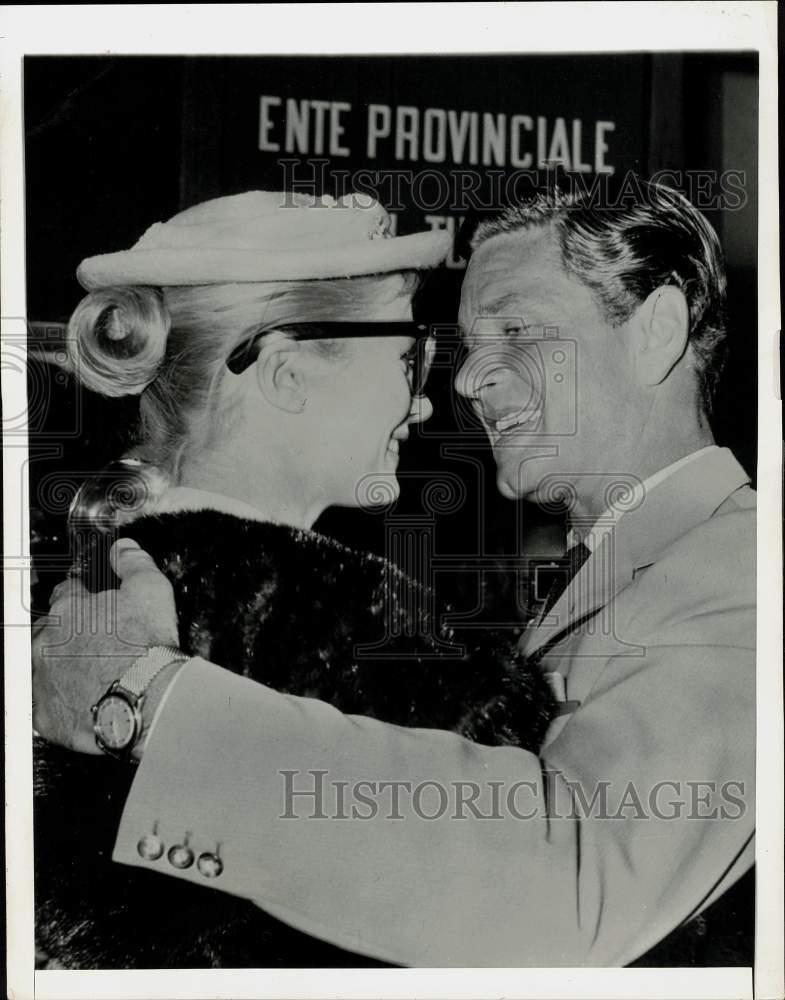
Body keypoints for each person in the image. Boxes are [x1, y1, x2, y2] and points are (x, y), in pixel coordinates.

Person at [33, 180, 756, 967]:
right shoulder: (558, 583)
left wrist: (151, 702)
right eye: (462, 346)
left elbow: (570, 890)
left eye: (516, 327)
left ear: (657, 330)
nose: (464, 382)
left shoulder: (742, 567)